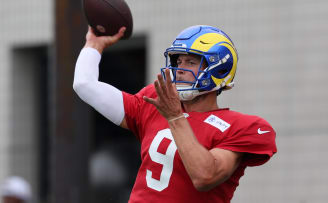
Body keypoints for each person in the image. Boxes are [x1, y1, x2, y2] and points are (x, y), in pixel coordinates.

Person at [73, 25, 277, 203]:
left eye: (190, 62)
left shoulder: (240, 127)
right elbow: (85, 85)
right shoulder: (156, 102)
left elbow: (205, 176)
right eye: (179, 62)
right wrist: (94, 45)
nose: (179, 69)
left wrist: (175, 117)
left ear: (219, 69)